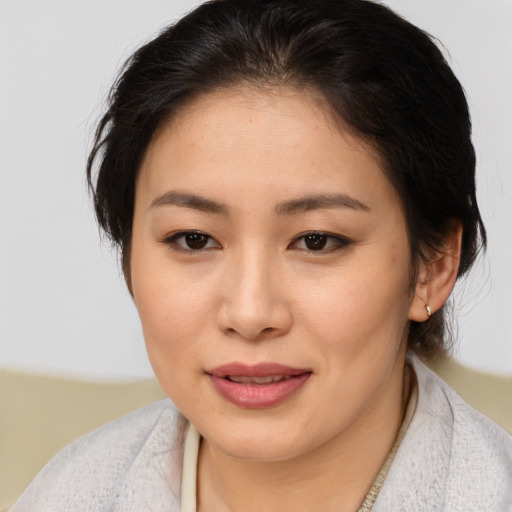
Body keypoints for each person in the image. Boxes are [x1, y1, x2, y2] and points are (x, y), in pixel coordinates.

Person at [11, 0, 512, 510]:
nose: (250, 315)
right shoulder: (68, 496)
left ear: (433, 266)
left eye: (317, 240)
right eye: (194, 239)